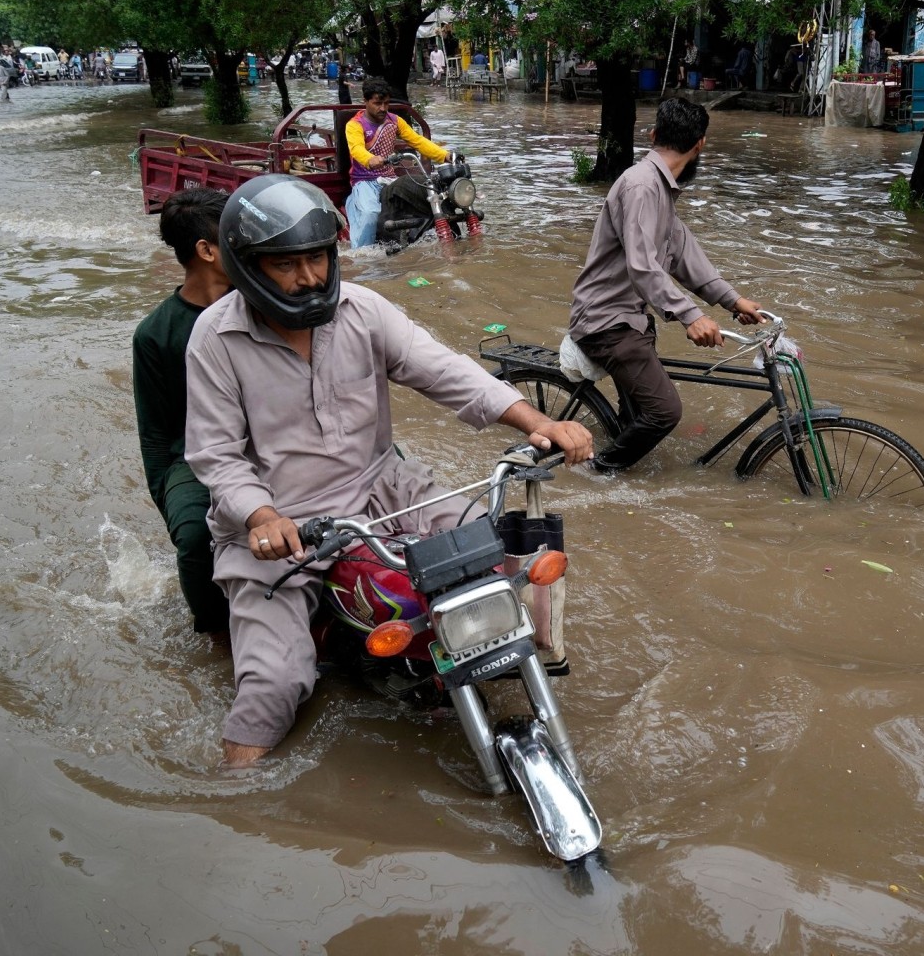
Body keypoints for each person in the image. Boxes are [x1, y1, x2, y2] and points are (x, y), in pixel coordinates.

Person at [184, 175, 593, 766]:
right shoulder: (214, 337)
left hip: (384, 491)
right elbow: (216, 456)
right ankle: (234, 797)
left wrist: (534, 420)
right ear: (247, 266)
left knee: (501, 569)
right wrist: (263, 516)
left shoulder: (364, 310)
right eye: (286, 264)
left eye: (318, 259)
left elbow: (445, 371)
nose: (309, 279)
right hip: (280, 529)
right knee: (274, 685)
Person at [567, 98, 764, 474]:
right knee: (665, 412)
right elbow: (642, 266)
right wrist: (691, 316)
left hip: (633, 320)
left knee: (638, 416)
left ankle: (619, 467)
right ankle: (594, 473)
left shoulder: (660, 190)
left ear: (654, 134)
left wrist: (733, 300)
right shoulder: (641, 186)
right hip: (607, 321)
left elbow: (685, 256)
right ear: (700, 145)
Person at [132, 189, 234, 642]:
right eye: (234, 237)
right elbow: (156, 435)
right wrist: (171, 505)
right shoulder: (156, 334)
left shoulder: (265, 305)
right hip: (191, 456)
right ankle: (217, 636)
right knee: (196, 537)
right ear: (207, 251)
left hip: (267, 436)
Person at [344, 77, 450, 248]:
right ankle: (362, 256)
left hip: (390, 178)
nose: (383, 108)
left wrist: (446, 156)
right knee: (370, 214)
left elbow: (418, 141)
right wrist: (369, 159)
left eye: (386, 103)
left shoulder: (395, 121)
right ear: (365, 101)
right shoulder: (354, 125)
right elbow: (356, 149)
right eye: (377, 103)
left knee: (427, 200)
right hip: (365, 181)